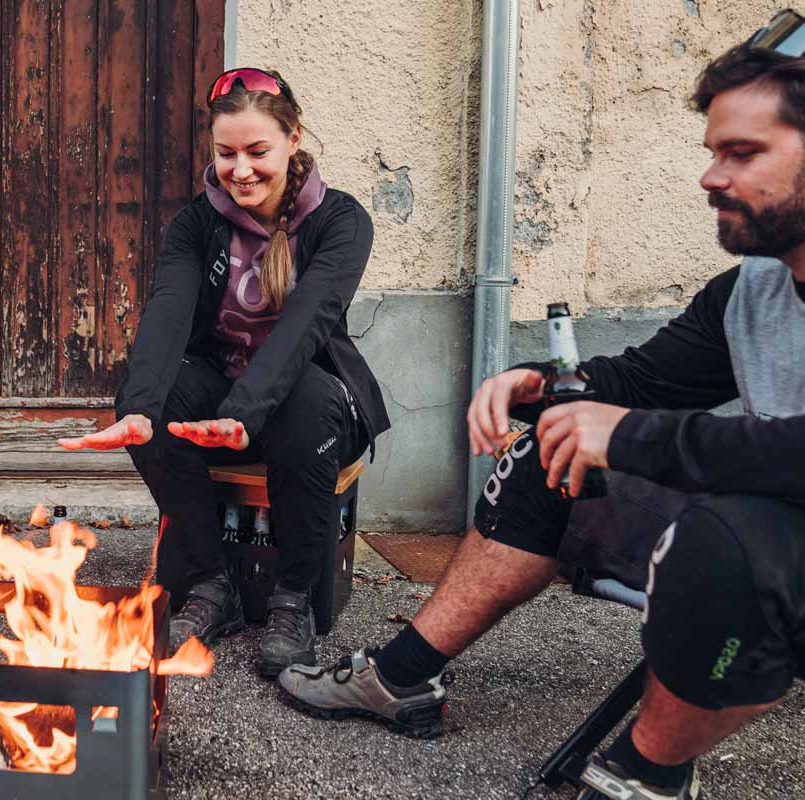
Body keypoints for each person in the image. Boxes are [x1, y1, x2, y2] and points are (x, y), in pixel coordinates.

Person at [279, 11, 805, 800]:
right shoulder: (753, 290)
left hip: (766, 547)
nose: (709, 177)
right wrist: (536, 388)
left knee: (727, 540)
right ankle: (402, 677)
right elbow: (641, 380)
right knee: (550, 447)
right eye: (712, 152)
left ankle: (643, 776)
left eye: (743, 153)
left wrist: (632, 436)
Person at [59, 68, 389, 677]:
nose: (241, 170)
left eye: (258, 151)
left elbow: (304, 330)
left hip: (304, 397)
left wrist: (241, 415)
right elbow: (167, 312)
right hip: (222, 388)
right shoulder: (196, 223)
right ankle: (214, 583)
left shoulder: (341, 220)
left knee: (308, 397)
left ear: (293, 139)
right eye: (226, 152)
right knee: (153, 404)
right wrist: (137, 406)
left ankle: (294, 596)